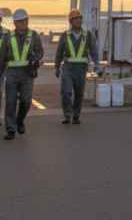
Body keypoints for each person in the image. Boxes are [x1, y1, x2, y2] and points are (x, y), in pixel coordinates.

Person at [0, 9, 44, 140]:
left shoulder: (34, 35)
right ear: (15, 23)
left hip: (27, 73)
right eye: (20, 21)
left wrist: (35, 58)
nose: (23, 23)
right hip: (12, 73)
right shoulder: (8, 37)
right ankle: (11, 129)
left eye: (25, 20)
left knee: (26, 100)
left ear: (27, 20)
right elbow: (2, 57)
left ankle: (20, 120)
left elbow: (40, 51)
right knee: (10, 101)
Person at [54, 9, 99, 125]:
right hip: (68, 68)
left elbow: (94, 51)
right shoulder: (65, 35)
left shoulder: (88, 35)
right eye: (76, 19)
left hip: (81, 68)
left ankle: (76, 116)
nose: (79, 20)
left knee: (79, 93)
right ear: (71, 21)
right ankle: (67, 115)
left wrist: (97, 65)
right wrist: (57, 67)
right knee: (66, 92)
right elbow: (59, 52)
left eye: (80, 18)